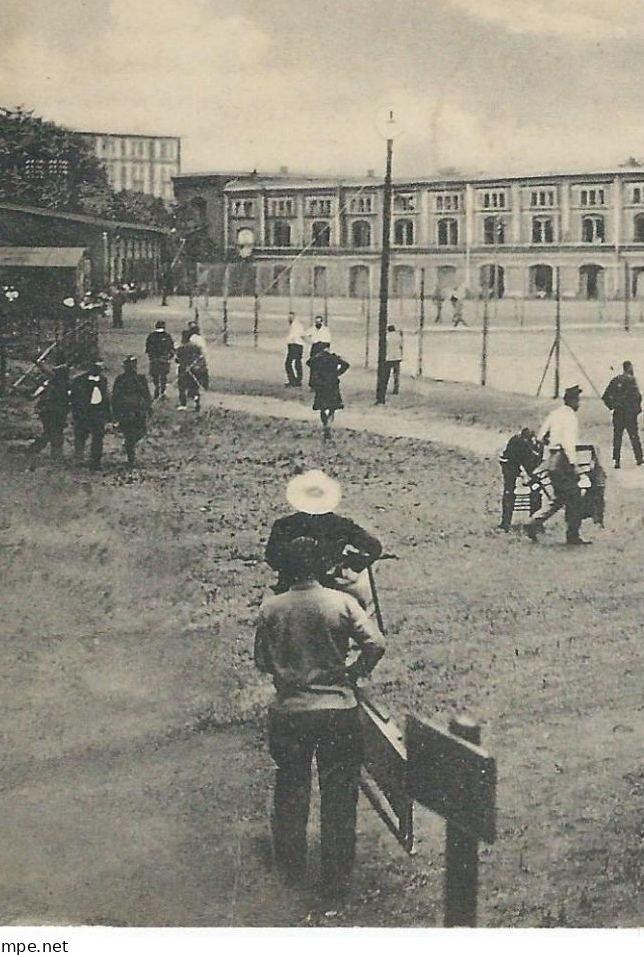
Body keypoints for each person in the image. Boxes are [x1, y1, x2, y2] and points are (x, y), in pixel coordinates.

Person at [253, 534, 385, 905]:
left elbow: (262, 661)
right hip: (337, 711)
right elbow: (376, 643)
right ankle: (336, 877)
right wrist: (353, 672)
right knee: (339, 795)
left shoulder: (271, 608)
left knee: (291, 787)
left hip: (290, 711)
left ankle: (292, 868)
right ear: (323, 567)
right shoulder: (340, 602)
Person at [265, 470, 385, 596]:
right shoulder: (340, 524)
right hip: (330, 585)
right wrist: (349, 562)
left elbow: (272, 559)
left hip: (290, 586)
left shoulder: (284, 525)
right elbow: (374, 548)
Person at [526, 385, 590, 545]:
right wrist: (574, 465)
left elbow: (540, 437)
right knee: (575, 498)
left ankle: (533, 523)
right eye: (578, 400)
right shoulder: (570, 418)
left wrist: (551, 445)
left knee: (559, 498)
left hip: (552, 460)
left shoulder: (554, 414)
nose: (579, 404)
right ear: (572, 400)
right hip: (563, 462)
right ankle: (572, 535)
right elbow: (568, 443)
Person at [601, 361, 644, 469]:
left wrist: (612, 406)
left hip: (618, 413)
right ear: (629, 368)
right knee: (634, 436)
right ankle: (639, 458)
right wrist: (637, 410)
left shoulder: (615, 380)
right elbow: (638, 397)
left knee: (617, 437)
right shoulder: (631, 380)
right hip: (630, 414)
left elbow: (605, 396)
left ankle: (616, 460)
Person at [498, 427, 544, 531]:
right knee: (509, 491)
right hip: (510, 463)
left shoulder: (539, 445)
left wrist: (532, 477)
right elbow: (509, 462)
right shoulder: (515, 442)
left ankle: (535, 523)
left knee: (536, 489)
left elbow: (536, 464)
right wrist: (522, 475)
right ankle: (505, 523)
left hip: (531, 465)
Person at [70, 360, 113, 470]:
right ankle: (79, 460)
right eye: (96, 367)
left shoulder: (103, 380)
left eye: (100, 368)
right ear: (90, 367)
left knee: (98, 438)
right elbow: (75, 399)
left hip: (98, 413)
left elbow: (106, 398)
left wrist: (108, 415)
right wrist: (77, 413)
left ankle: (95, 462)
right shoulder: (79, 380)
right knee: (80, 436)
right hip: (84, 413)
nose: (99, 370)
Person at [111, 356, 153, 469]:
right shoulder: (120, 379)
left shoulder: (140, 379)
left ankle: (130, 446)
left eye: (133, 365)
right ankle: (131, 459)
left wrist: (149, 407)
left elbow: (146, 394)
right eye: (129, 365)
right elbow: (115, 396)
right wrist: (115, 413)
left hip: (138, 410)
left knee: (141, 432)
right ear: (125, 367)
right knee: (129, 434)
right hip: (126, 412)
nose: (132, 367)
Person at [307, 340, 350, 442]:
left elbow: (309, 363)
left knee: (322, 407)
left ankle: (325, 423)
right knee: (333, 407)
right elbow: (346, 365)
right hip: (333, 384)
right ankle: (329, 424)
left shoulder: (317, 359)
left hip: (321, 385)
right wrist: (338, 373)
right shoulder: (333, 358)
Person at [31, 364, 72, 458]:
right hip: (56, 412)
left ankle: (37, 448)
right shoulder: (66, 385)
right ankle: (55, 454)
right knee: (55, 432)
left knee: (50, 432)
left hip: (49, 411)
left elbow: (34, 395)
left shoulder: (49, 383)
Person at [175, 328, 208, 412]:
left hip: (183, 370)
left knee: (182, 387)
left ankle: (183, 404)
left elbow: (177, 359)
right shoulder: (195, 347)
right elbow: (200, 356)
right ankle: (196, 401)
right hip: (194, 370)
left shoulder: (181, 348)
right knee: (193, 387)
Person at [145, 320, 175, 399]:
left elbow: (148, 348)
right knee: (163, 376)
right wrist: (169, 357)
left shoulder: (151, 336)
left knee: (155, 375)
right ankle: (162, 391)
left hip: (154, 359)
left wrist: (151, 357)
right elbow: (171, 348)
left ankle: (157, 388)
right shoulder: (167, 336)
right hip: (164, 359)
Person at [380, 324, 404, 396]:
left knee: (386, 374)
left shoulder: (386, 337)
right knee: (396, 375)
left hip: (388, 358)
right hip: (397, 357)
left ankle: (384, 388)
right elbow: (401, 346)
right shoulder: (398, 337)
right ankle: (396, 389)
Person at [285, 315, 307, 387]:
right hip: (299, 345)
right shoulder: (299, 325)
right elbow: (303, 335)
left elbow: (291, 336)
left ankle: (293, 381)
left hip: (294, 345)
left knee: (288, 363)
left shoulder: (294, 326)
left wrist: (288, 342)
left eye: (291, 317)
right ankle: (297, 381)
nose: (289, 319)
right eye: (289, 317)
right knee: (297, 363)